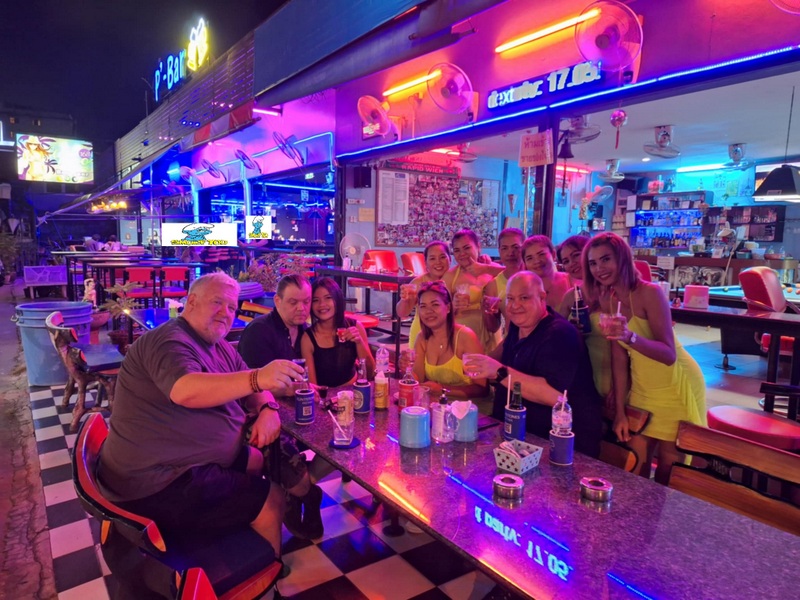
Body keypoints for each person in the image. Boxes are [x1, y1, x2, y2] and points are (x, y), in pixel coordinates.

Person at [97, 273, 307, 557]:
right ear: (192, 301)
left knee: (258, 461)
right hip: (156, 482)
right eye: (217, 302)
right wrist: (259, 378)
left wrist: (268, 408)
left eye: (232, 307)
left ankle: (240, 529)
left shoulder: (217, 344)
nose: (226, 312)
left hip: (186, 460)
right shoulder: (169, 340)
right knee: (273, 499)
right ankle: (266, 574)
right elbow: (185, 389)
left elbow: (250, 382)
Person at [583, 232, 706, 485]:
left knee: (667, 475)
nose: (599, 268)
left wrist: (630, 337)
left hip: (675, 384)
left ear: (622, 258)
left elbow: (668, 355)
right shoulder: (608, 299)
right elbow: (618, 358)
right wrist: (619, 411)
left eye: (606, 259)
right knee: (633, 469)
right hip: (642, 388)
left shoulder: (650, 293)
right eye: (593, 263)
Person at [463, 271, 602, 457]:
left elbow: (555, 396)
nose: (515, 306)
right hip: (518, 441)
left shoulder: (560, 334)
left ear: (542, 297)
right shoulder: (518, 326)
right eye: (510, 299)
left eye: (524, 298)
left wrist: (499, 372)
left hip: (562, 449)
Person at [411, 281, 488, 399]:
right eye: (423, 306)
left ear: (448, 308)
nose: (428, 311)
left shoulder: (465, 336)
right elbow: (419, 382)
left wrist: (443, 389)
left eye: (435, 304)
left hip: (471, 407)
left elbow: (482, 388)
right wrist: (407, 368)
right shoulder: (421, 338)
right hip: (437, 406)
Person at [239, 274, 311, 387]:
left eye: (306, 302)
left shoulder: (305, 329)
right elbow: (254, 386)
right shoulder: (258, 331)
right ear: (277, 301)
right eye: (293, 302)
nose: (301, 308)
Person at [302, 277, 375, 387]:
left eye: (328, 298)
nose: (322, 304)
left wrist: (359, 342)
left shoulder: (355, 326)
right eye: (316, 300)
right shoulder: (307, 338)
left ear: (338, 299)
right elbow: (312, 387)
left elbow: (370, 373)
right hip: (326, 395)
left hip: (354, 391)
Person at [442, 229, 504, 353]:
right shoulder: (450, 276)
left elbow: (514, 274)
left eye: (466, 248)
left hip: (491, 330)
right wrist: (453, 306)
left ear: (478, 247)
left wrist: (486, 268)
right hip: (462, 335)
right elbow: (439, 310)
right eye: (457, 250)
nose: (462, 254)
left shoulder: (490, 268)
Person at [396, 240, 451, 349]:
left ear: (450, 259)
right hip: (422, 334)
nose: (438, 262)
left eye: (442, 257)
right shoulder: (418, 283)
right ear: (425, 263)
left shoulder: (456, 279)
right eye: (432, 258)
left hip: (449, 336)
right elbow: (402, 313)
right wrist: (405, 300)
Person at [483, 228, 525, 335]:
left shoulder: (535, 278)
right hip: (512, 342)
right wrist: (487, 311)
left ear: (524, 248)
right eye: (505, 248)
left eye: (516, 247)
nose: (510, 253)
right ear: (499, 251)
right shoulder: (493, 285)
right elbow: (492, 328)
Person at [521, 235, 572, 311]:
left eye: (541, 254)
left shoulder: (570, 281)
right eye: (530, 258)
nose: (537, 261)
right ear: (525, 263)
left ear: (553, 255)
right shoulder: (522, 289)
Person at [556, 235, 590, 318]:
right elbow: (559, 325)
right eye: (566, 261)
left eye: (576, 255)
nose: (571, 263)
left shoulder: (612, 290)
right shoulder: (570, 296)